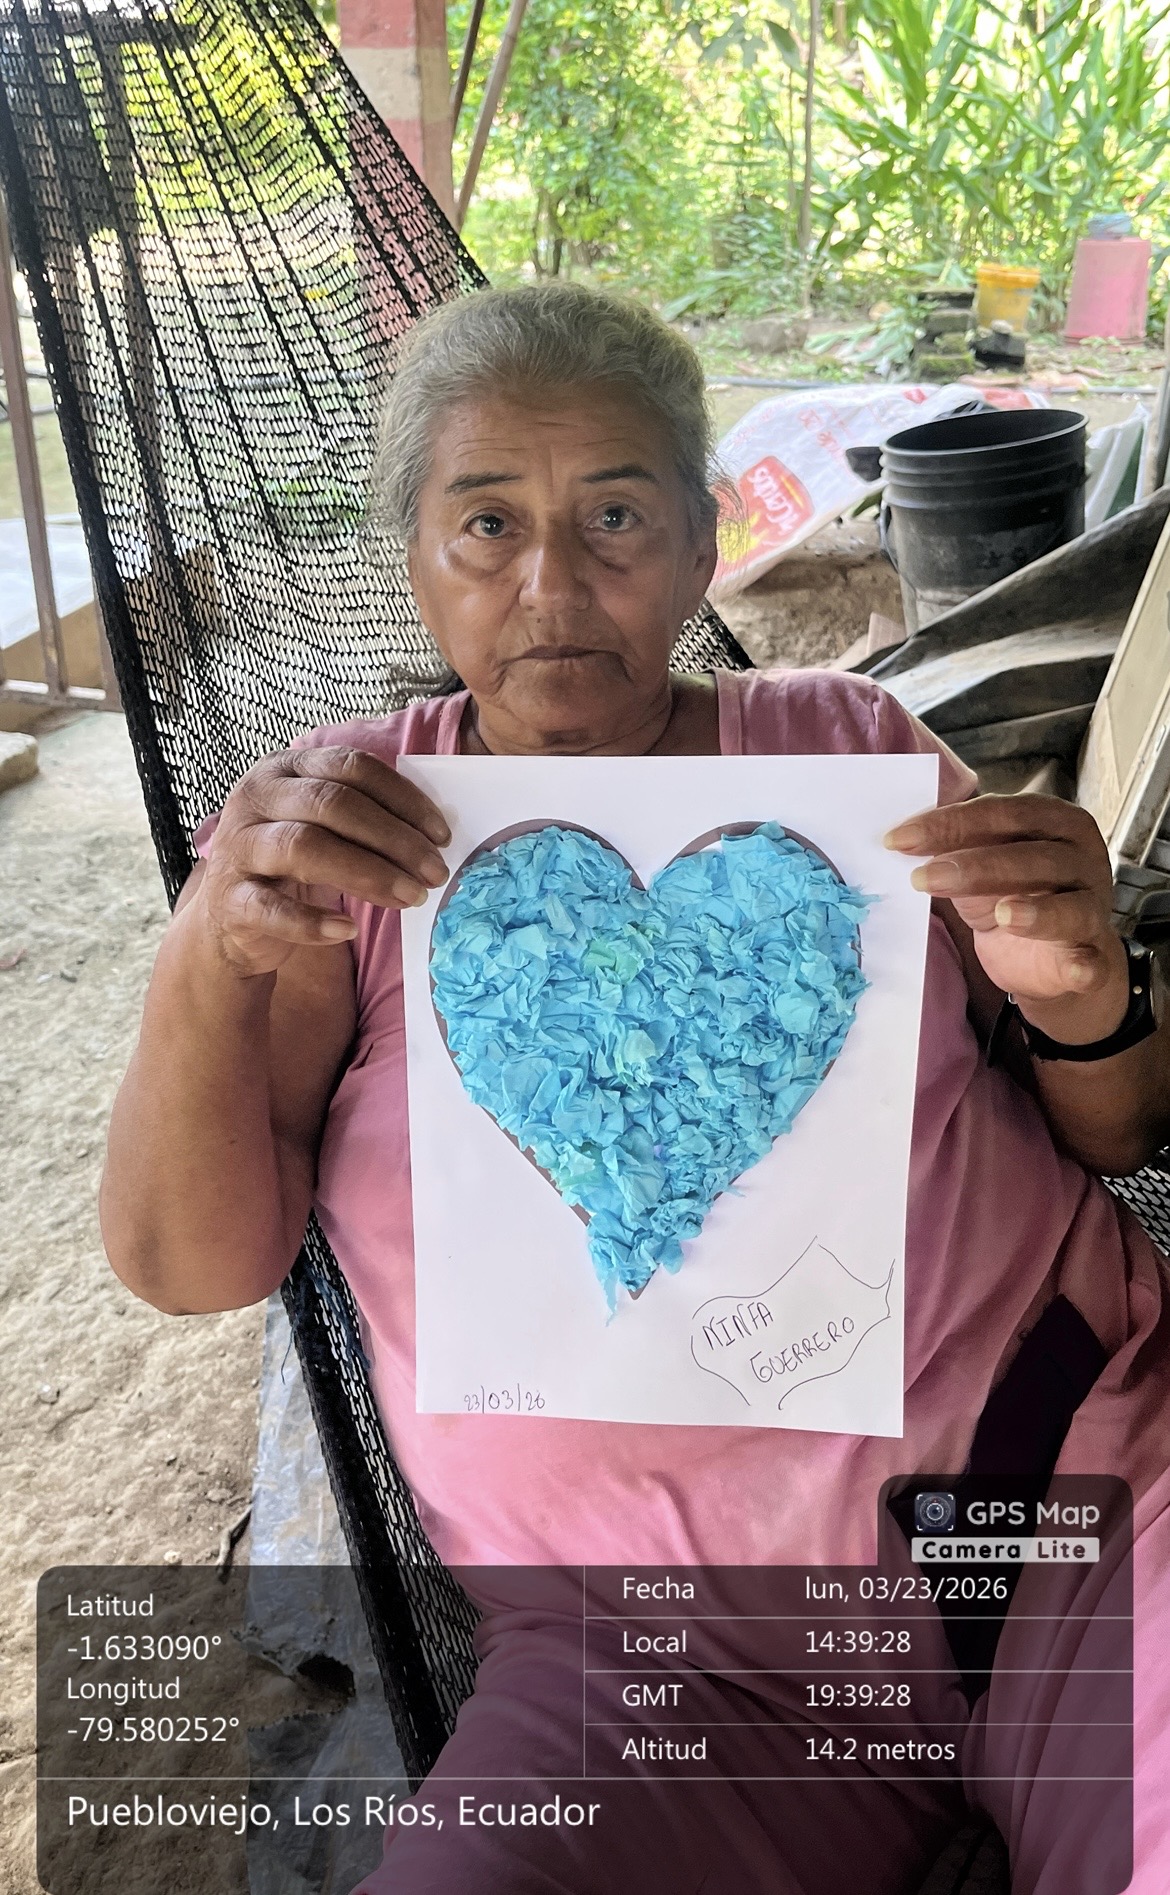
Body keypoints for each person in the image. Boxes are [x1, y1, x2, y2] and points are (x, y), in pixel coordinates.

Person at [101, 283, 1170, 1893]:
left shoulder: (844, 753)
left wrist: (1082, 992)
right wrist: (209, 949)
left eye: (613, 516)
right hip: (641, 1669)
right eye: (486, 524)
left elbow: (1121, 1131)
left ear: (697, 545)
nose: (551, 585)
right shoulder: (347, 839)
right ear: (416, 560)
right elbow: (189, 1268)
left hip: (1069, 1526)